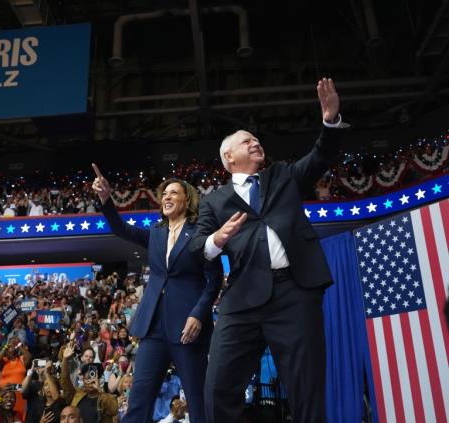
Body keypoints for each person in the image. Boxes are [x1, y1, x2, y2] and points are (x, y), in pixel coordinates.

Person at [189, 78, 347, 423]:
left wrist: (330, 120)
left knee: (307, 390)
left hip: (295, 293)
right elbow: (198, 247)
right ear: (229, 157)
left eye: (257, 140)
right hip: (241, 299)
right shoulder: (214, 200)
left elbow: (322, 155)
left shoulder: (283, 176)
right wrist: (218, 238)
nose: (256, 143)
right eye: (248, 141)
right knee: (217, 389)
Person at [92, 165, 223, 423]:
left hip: (188, 329)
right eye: (164, 194)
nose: (167, 197)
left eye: (174, 193)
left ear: (187, 200)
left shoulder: (200, 233)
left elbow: (214, 279)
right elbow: (121, 229)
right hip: (153, 328)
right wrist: (106, 200)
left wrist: (198, 314)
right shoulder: (156, 232)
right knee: (139, 398)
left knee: (197, 401)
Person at [60, 343, 117, 423]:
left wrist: (100, 391)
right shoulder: (76, 394)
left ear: (99, 380)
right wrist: (65, 359)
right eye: (87, 379)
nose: (90, 381)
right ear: (83, 380)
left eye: (93, 379)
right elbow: (65, 381)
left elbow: (114, 410)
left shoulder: (107, 397)